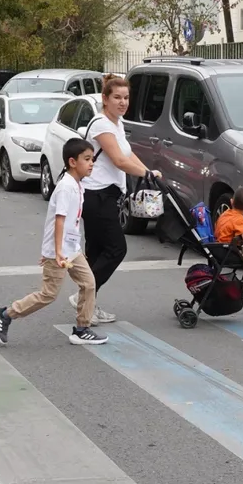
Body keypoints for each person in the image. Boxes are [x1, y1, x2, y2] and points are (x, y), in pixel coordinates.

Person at [0, 138, 108, 346]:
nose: (92, 163)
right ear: (73, 162)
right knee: (48, 294)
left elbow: (72, 221)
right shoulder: (66, 187)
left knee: (89, 284)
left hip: (72, 249)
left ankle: (82, 329)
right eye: (87, 159)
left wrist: (76, 248)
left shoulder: (77, 185)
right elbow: (59, 220)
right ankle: (6, 314)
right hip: (60, 251)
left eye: (92, 159)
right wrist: (57, 251)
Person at [72, 75, 161, 324]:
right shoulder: (101, 125)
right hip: (95, 195)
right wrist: (145, 173)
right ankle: (83, 295)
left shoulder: (117, 124)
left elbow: (128, 155)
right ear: (105, 99)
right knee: (116, 249)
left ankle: (88, 305)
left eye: (126, 97)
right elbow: (119, 161)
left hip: (107, 195)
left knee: (96, 251)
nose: (123, 102)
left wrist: (149, 172)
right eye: (117, 98)